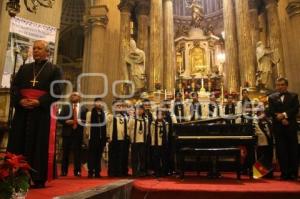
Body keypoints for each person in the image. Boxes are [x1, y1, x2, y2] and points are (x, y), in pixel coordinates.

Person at [7, 40, 63, 188]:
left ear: (47, 52)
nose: (36, 50)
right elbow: (15, 87)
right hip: (22, 112)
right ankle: (14, 174)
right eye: (35, 48)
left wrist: (39, 102)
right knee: (18, 141)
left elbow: (56, 91)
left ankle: (37, 178)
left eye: (39, 48)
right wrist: (20, 100)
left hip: (41, 114)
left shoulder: (54, 69)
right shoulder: (24, 68)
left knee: (38, 144)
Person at [268, 78, 299, 180]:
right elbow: (271, 111)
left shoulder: (294, 96)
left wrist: (285, 115)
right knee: (281, 151)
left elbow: (295, 109)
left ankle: (293, 173)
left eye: (281, 85)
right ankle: (284, 173)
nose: (279, 87)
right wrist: (281, 119)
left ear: (286, 85)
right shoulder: (272, 97)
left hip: (290, 126)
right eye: (277, 85)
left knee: (293, 150)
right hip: (279, 128)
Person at [59, 92, 88, 177]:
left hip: (78, 133)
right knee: (65, 153)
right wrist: (65, 121)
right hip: (67, 133)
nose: (73, 96)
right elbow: (59, 118)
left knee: (77, 153)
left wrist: (79, 121)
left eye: (75, 95)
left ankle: (77, 171)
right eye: (72, 95)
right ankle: (64, 171)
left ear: (79, 97)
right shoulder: (65, 107)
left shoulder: (84, 108)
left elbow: (86, 120)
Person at [85, 98, 107, 178]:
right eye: (98, 102)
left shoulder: (103, 113)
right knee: (92, 155)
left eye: (101, 103)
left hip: (101, 137)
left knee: (98, 155)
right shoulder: (90, 113)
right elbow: (87, 124)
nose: (99, 104)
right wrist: (87, 133)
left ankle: (97, 172)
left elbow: (105, 126)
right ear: (94, 103)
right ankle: (90, 171)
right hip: (93, 137)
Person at [107, 99, 130, 177]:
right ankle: (113, 172)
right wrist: (108, 137)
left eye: (120, 106)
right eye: (117, 106)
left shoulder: (125, 116)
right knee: (113, 156)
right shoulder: (110, 116)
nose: (119, 107)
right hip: (113, 139)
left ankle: (122, 171)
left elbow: (128, 127)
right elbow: (107, 127)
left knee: (122, 156)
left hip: (123, 139)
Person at [128, 104, 148, 177]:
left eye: (141, 109)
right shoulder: (132, 119)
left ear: (143, 111)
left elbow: (147, 131)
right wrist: (131, 138)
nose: (139, 111)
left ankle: (142, 171)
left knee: (142, 157)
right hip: (135, 141)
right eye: (138, 109)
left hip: (143, 141)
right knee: (135, 157)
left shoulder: (145, 120)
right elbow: (129, 129)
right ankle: (135, 172)